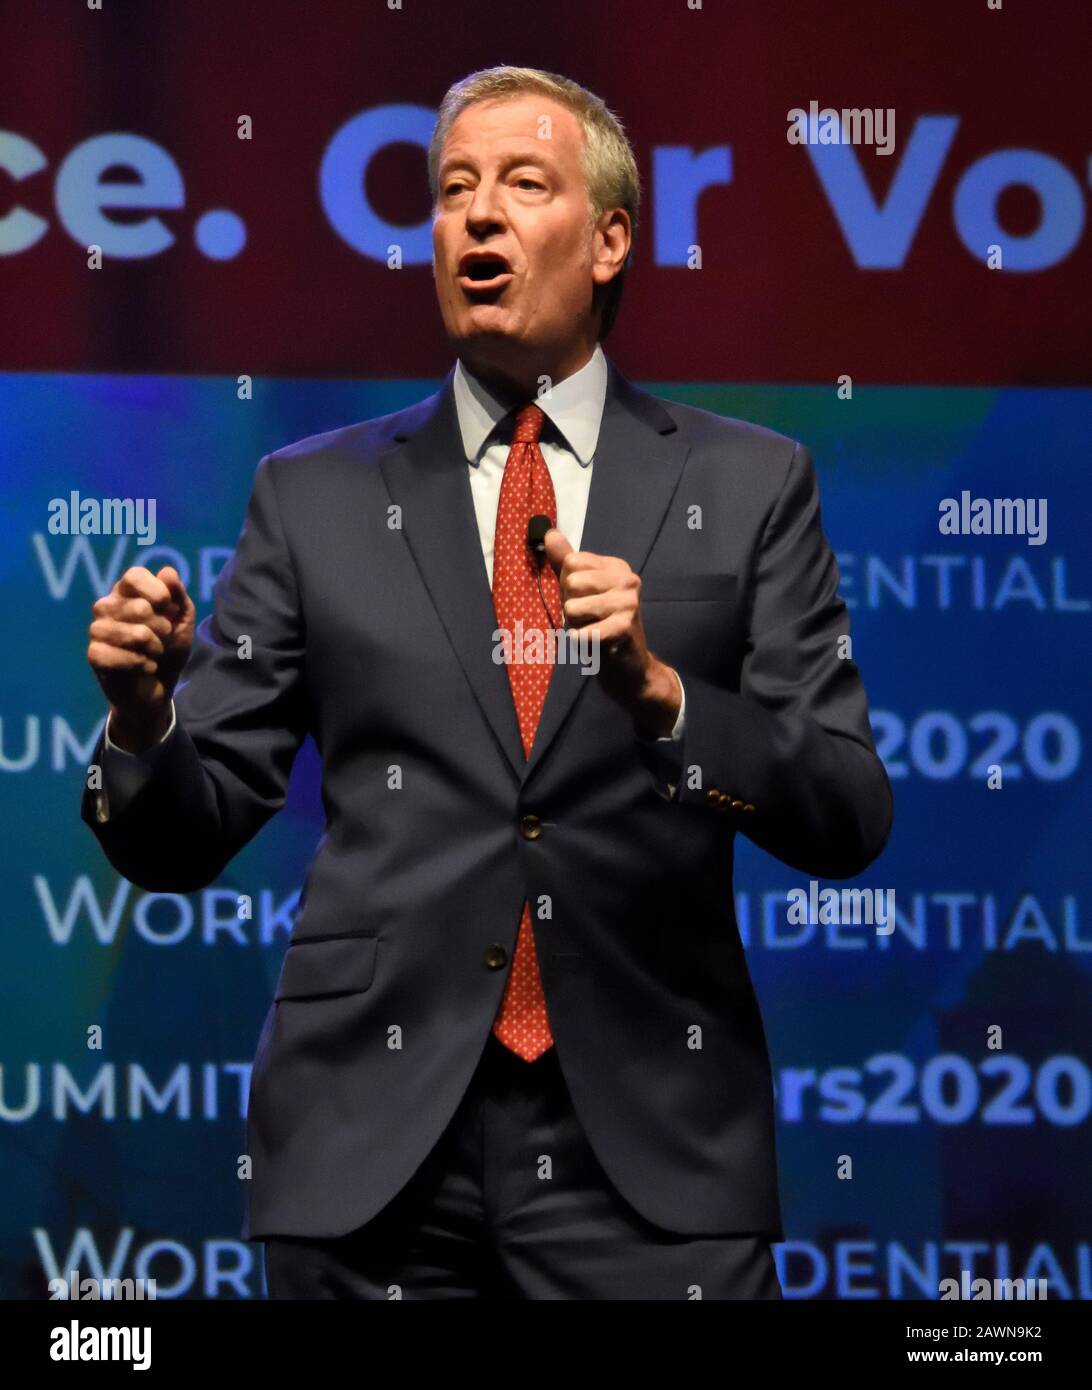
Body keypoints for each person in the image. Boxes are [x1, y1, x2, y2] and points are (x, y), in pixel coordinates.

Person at [82, 65, 893, 1299]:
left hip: (654, 1153)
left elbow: (847, 810)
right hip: (370, 1155)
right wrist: (146, 720)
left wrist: (665, 697)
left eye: (524, 183)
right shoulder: (314, 496)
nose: (476, 213)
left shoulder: (749, 484)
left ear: (612, 237)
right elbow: (189, 830)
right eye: (454, 189)